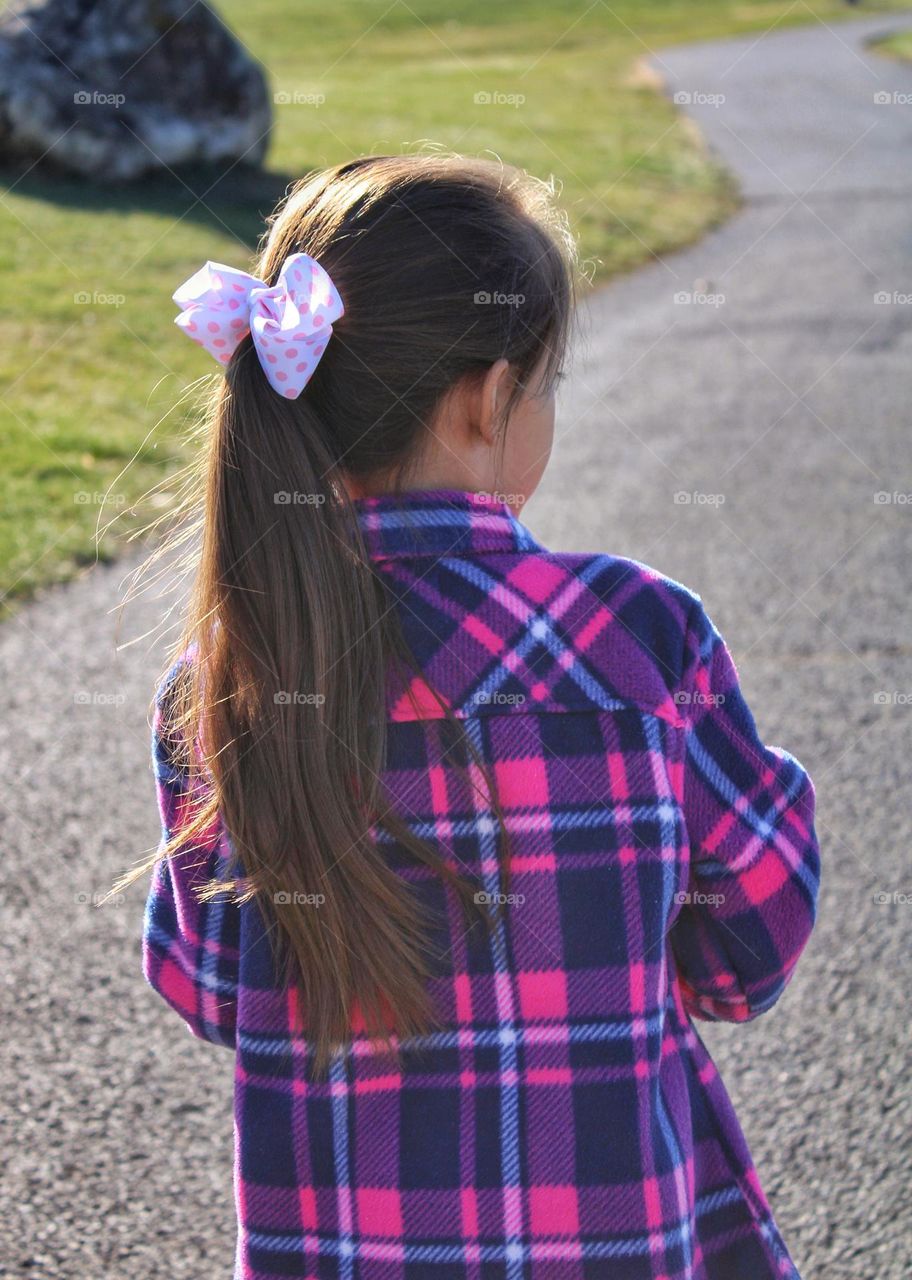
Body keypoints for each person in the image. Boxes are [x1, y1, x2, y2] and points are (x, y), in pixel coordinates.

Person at [127, 153, 820, 1280]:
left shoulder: (227, 678)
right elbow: (751, 945)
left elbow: (207, 984)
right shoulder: (640, 640)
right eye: (545, 384)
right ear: (488, 396)